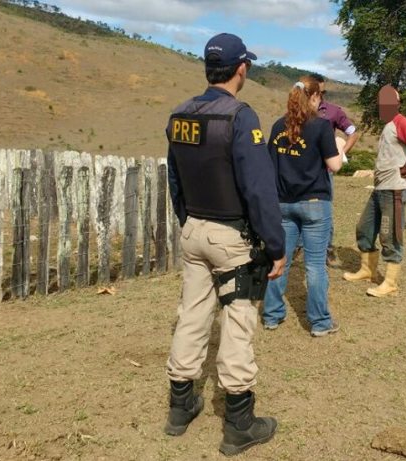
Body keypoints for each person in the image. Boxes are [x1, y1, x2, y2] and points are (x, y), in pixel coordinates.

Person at [163, 32, 286, 457]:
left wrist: (189, 222)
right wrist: (275, 244)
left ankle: (180, 408)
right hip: (231, 237)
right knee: (237, 323)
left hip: (193, 229)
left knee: (192, 314)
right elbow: (258, 188)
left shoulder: (179, 114)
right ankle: (239, 424)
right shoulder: (240, 117)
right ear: (241, 68)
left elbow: (174, 177)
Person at [263, 76, 343, 336]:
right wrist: (340, 148)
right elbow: (335, 166)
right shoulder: (320, 127)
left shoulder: (277, 127)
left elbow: (268, 164)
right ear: (314, 97)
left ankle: (272, 315)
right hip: (315, 205)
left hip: (283, 204)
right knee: (315, 264)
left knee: (280, 261)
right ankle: (319, 322)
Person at [343, 84, 406, 297]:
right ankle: (367, 270)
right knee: (364, 228)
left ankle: (390, 283)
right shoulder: (388, 125)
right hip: (380, 189)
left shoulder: (401, 122)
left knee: (390, 235)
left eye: (388, 102)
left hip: (394, 190)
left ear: (397, 104)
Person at [308, 73, 361, 268]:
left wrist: (340, 155)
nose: (319, 95)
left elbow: (352, 133)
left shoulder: (333, 111)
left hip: (324, 172)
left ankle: (327, 251)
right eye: (315, 92)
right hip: (300, 171)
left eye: (322, 92)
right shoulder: (299, 110)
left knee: (325, 211)